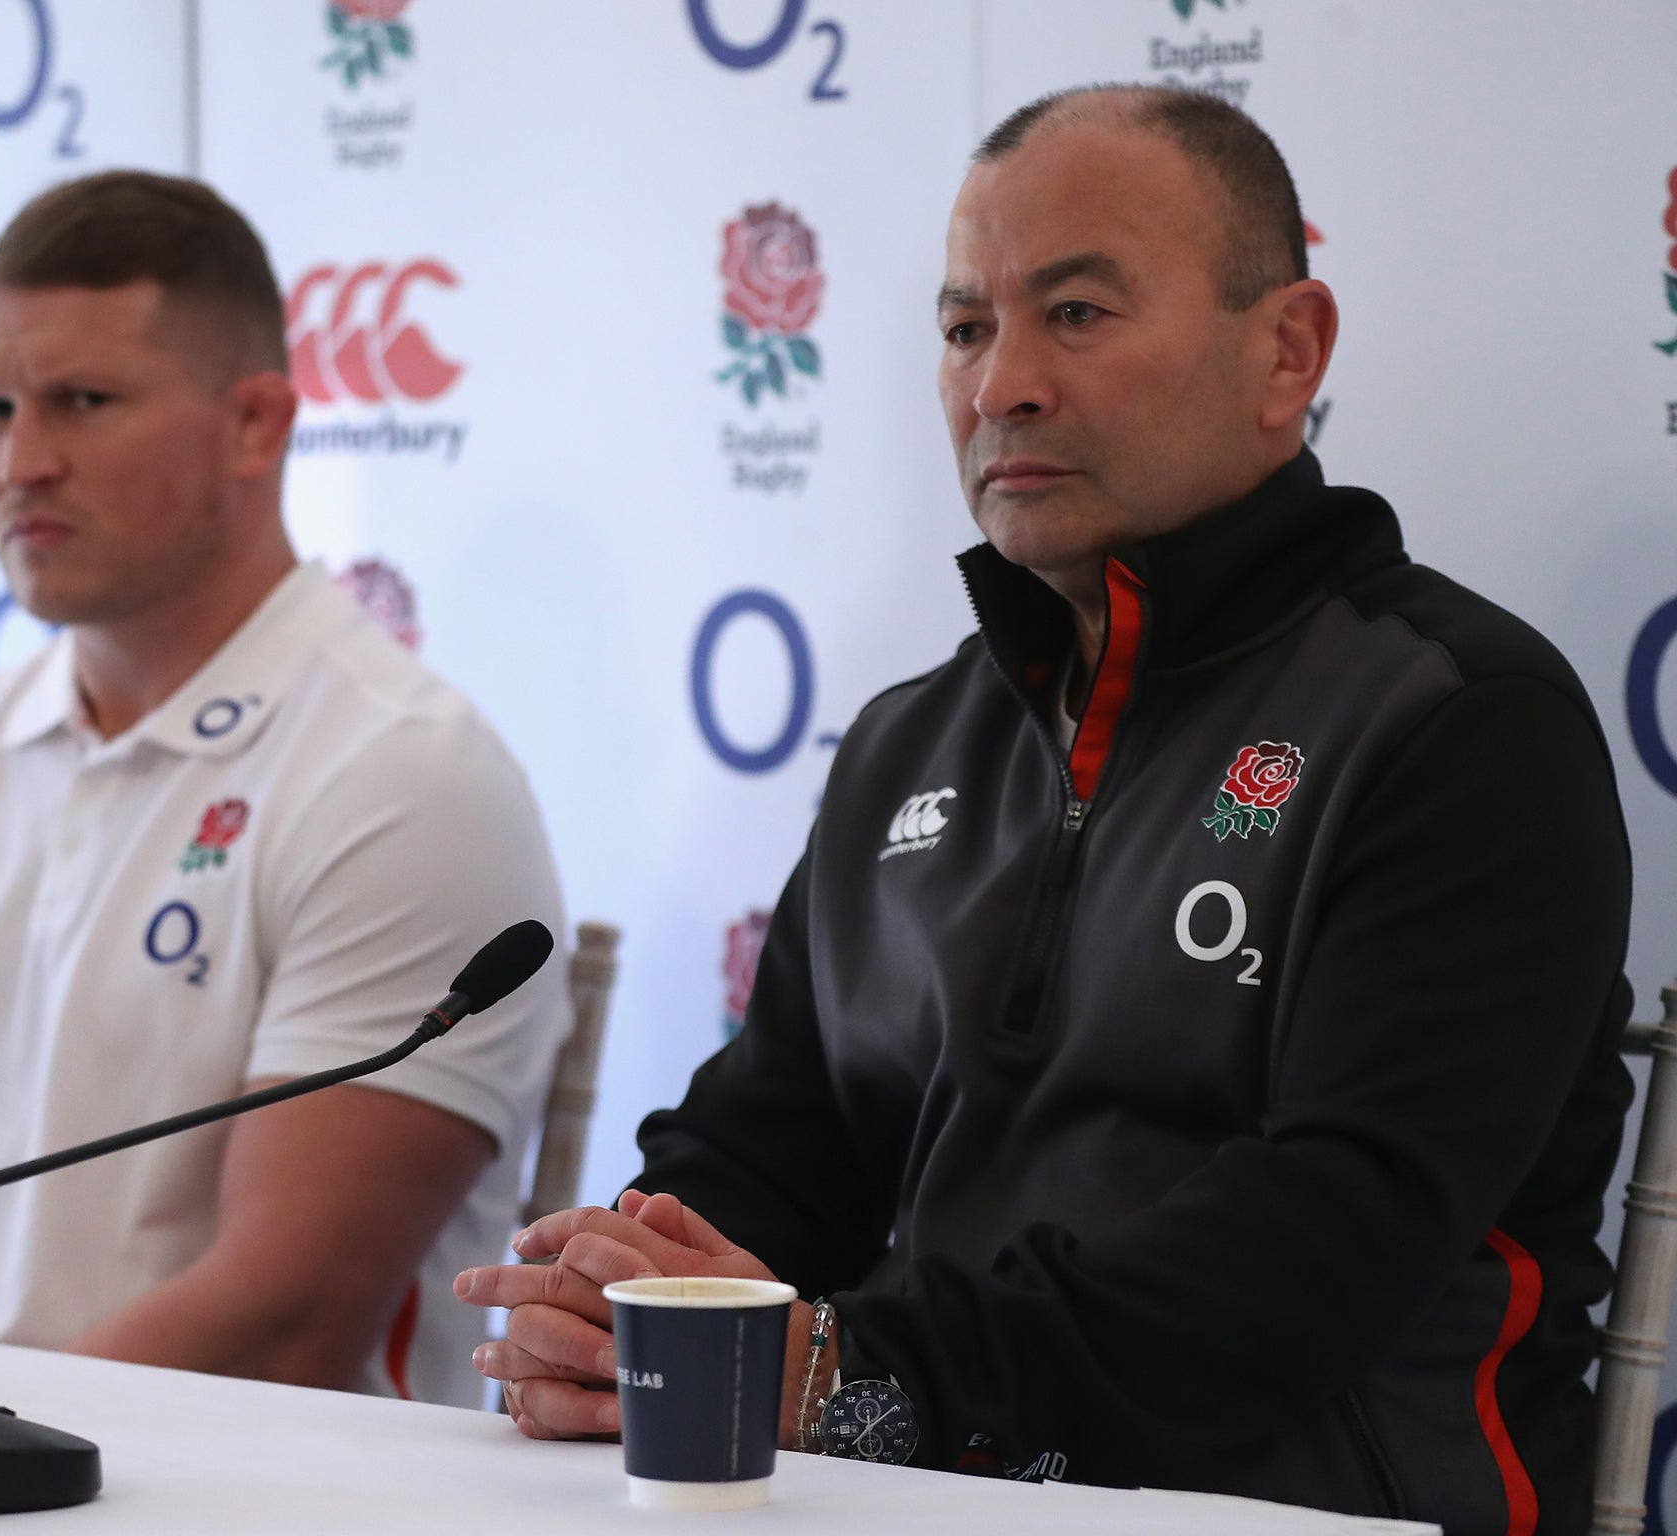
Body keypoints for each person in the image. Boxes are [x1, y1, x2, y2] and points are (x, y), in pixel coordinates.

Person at [456, 85, 1632, 1534]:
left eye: (1075, 315)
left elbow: (1325, 1249)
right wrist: (619, 1297)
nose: (1000, 383)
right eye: (965, 328)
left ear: (1287, 353)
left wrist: (849, 1373)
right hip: (913, 1495)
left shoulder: (1459, 720)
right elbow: (772, 1149)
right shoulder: (907, 740)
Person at [0, 171, 570, 1409]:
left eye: (82, 402)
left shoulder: (404, 775)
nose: (19, 462)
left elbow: (279, 1320)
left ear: (255, 425)